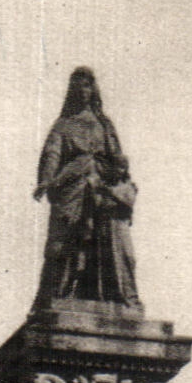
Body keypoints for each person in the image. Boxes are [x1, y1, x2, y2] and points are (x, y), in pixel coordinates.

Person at [32, 67, 141, 311]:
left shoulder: (104, 124)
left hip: (101, 192)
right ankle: (57, 296)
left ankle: (111, 298)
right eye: (78, 86)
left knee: (113, 249)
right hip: (72, 191)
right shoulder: (63, 125)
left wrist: (119, 170)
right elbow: (52, 154)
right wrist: (47, 180)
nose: (83, 91)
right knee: (62, 247)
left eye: (87, 85)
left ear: (93, 90)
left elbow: (117, 158)